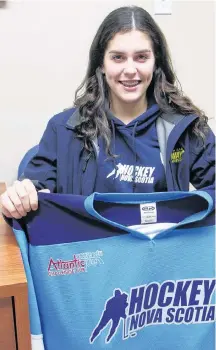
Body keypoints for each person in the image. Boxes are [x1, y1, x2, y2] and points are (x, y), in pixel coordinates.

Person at [1, 5, 215, 220]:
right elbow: (31, 199)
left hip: (161, 251)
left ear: (155, 61)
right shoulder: (64, 128)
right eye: (118, 57)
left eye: (141, 57)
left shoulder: (185, 128)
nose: (130, 70)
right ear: (101, 64)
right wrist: (19, 201)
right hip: (89, 251)